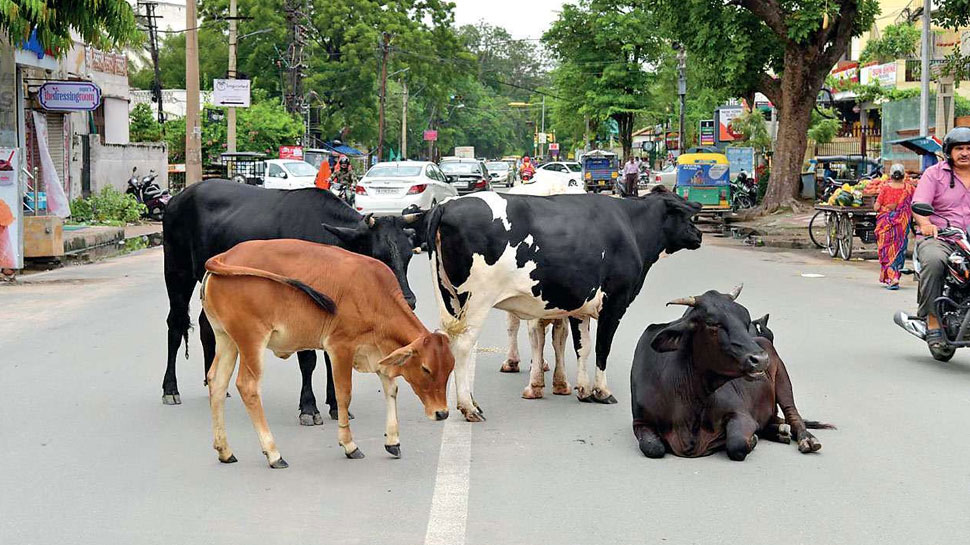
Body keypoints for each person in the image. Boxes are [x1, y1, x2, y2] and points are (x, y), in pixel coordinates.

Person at [912, 126, 970, 349]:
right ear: (949, 151)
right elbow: (919, 204)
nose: (965, 153)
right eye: (959, 148)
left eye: (968, 148)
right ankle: (932, 319)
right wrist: (926, 224)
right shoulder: (934, 174)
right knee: (935, 261)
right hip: (942, 237)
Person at [874, 163, 915, 290]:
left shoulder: (885, 188)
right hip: (902, 225)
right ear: (903, 176)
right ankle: (895, 275)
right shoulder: (910, 189)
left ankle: (892, 277)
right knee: (899, 250)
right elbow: (914, 206)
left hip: (885, 225)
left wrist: (885, 208)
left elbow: (876, 207)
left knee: (886, 250)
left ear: (890, 175)